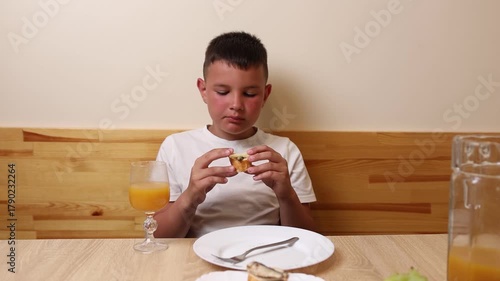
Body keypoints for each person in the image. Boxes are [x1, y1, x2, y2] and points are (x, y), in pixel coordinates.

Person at [154, 31, 316, 238]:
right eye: (222, 92)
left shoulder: (284, 151)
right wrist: (191, 196)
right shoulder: (175, 147)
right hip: (195, 259)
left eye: (249, 94)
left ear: (265, 95)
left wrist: (286, 195)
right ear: (203, 90)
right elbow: (160, 238)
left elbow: (307, 238)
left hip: (267, 257)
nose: (236, 105)